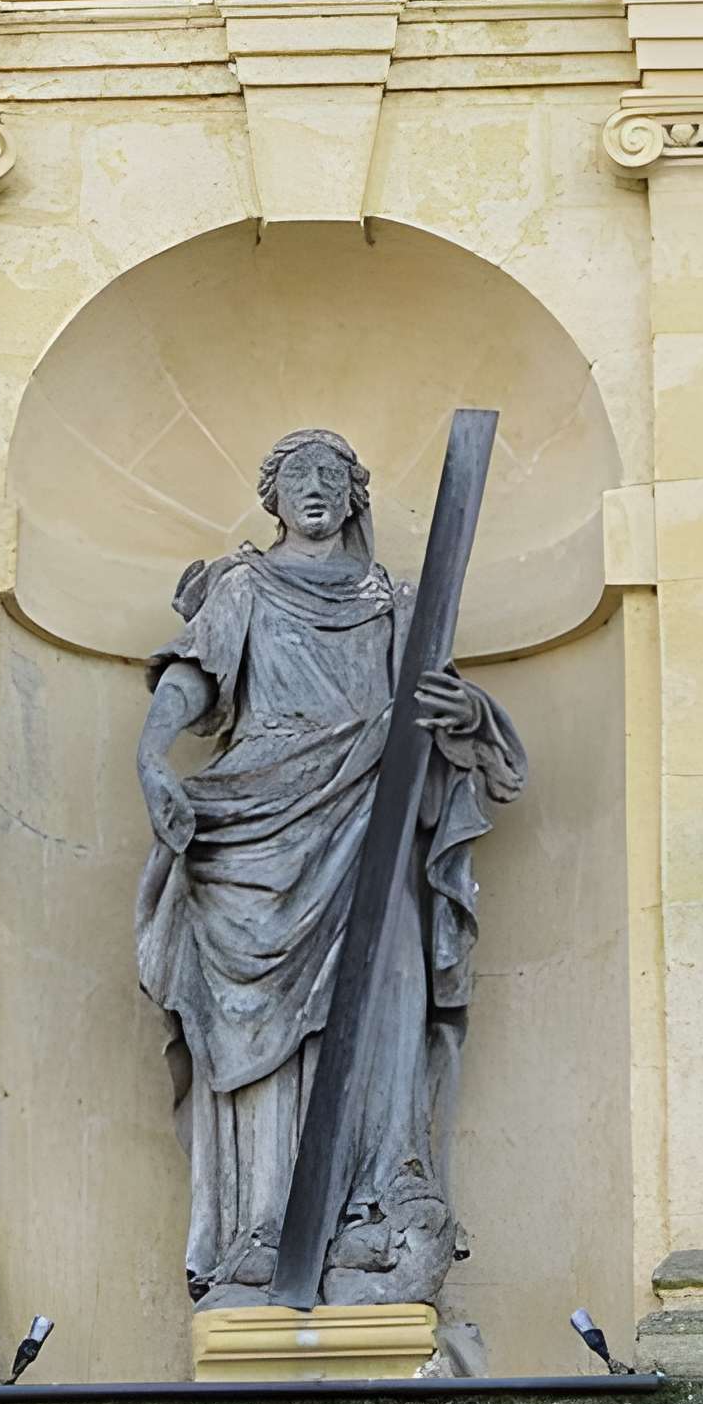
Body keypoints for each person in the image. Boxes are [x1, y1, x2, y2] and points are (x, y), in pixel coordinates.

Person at [135, 427, 526, 1309]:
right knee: (253, 1031)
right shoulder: (243, 588)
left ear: (355, 495)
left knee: (386, 1003)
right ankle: (263, 1225)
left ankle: (377, 1205)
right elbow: (190, 682)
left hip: (371, 822)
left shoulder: (394, 603)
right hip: (261, 830)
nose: (315, 487)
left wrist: (460, 709)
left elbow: (436, 708)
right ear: (271, 498)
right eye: (296, 474)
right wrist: (155, 760)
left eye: (332, 474)